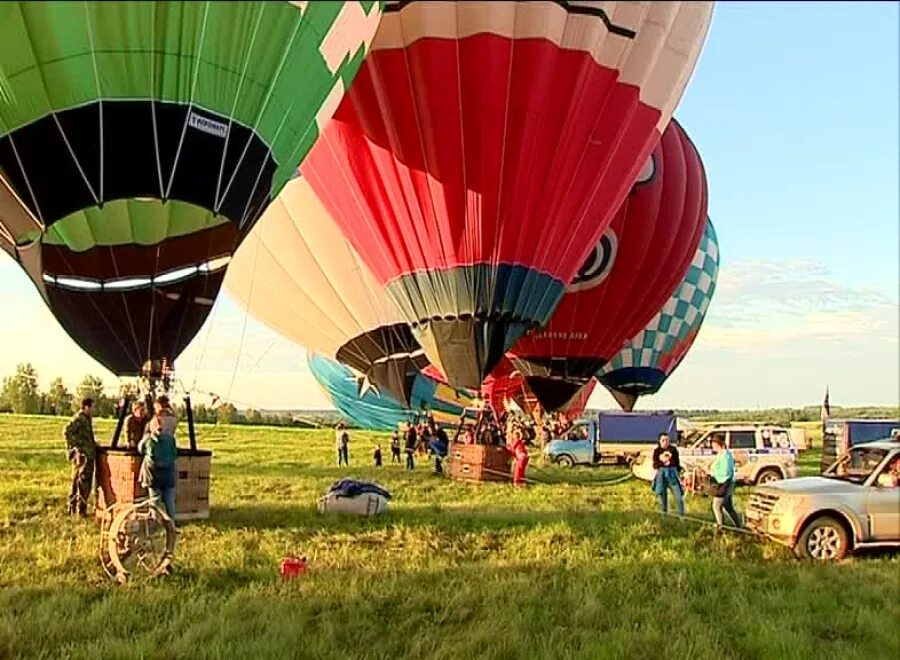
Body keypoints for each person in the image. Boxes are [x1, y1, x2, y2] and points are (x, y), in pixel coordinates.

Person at [138, 396, 178, 523]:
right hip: (169, 473)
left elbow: (140, 449)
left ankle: (155, 522)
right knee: (170, 501)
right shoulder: (173, 422)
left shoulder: (149, 437)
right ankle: (171, 524)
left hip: (154, 474)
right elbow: (174, 453)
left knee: (154, 500)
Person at [64, 398, 97, 516]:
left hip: (87, 454)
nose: (94, 410)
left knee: (82, 481)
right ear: (86, 407)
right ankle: (78, 509)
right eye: (93, 407)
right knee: (81, 482)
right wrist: (77, 447)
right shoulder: (80, 419)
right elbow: (67, 431)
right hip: (83, 456)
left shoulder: (86, 419)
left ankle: (76, 508)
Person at [709, 436, 741, 529]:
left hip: (724, 484)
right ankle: (738, 526)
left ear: (719, 444)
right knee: (728, 507)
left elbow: (725, 472)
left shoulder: (726, 456)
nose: (713, 447)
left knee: (716, 506)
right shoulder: (721, 454)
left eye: (714, 445)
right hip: (725, 483)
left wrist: (713, 473)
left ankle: (720, 527)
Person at [651, 433, 684, 516]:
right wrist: (662, 462)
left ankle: (682, 516)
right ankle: (664, 515)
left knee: (679, 497)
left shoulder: (673, 450)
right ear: (659, 441)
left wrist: (680, 473)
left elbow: (677, 463)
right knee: (663, 497)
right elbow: (655, 465)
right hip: (662, 475)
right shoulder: (657, 451)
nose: (665, 442)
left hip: (672, 475)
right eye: (663, 440)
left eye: (667, 440)